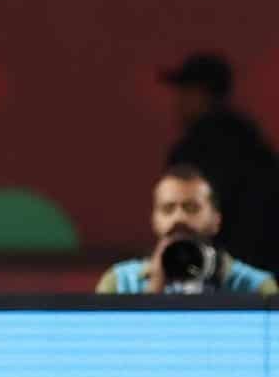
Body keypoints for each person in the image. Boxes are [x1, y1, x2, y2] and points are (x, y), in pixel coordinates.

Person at [161, 52, 279, 272]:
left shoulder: (196, 149)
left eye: (186, 91)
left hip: (219, 272)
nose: (178, 101)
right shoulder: (252, 142)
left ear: (204, 94)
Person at [96, 165, 276, 295]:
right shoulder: (119, 284)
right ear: (154, 220)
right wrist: (154, 287)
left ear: (216, 220)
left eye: (192, 208)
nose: (179, 218)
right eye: (168, 209)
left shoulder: (257, 287)